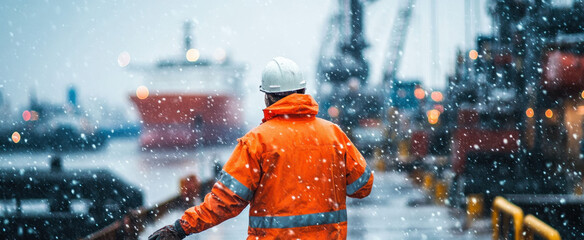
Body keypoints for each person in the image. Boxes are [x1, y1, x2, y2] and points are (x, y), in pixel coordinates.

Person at [149, 57, 374, 240]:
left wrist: (181, 228)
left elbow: (225, 202)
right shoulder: (333, 134)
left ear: (267, 97)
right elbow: (362, 187)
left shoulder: (257, 142)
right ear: (303, 91)